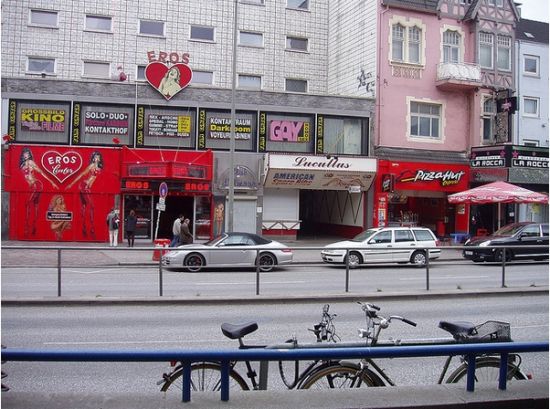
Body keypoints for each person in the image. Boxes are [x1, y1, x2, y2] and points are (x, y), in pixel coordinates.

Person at [19, 147, 59, 236]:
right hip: (31, 187)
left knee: (29, 204)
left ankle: (28, 227)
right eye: (25, 154)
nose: (26, 155)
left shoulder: (31, 162)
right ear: (22, 155)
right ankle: (33, 227)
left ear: (30, 155)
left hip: (36, 185)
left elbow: (41, 172)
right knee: (34, 205)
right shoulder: (22, 164)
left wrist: (52, 182)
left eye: (28, 154)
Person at [67, 151, 103, 238]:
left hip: (88, 188)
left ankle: (84, 227)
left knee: (84, 207)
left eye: (98, 157)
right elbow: (82, 175)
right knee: (91, 206)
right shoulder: (91, 166)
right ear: (93, 158)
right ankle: (91, 228)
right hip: (84, 186)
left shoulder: (100, 168)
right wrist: (71, 184)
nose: (97, 159)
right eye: (95, 157)